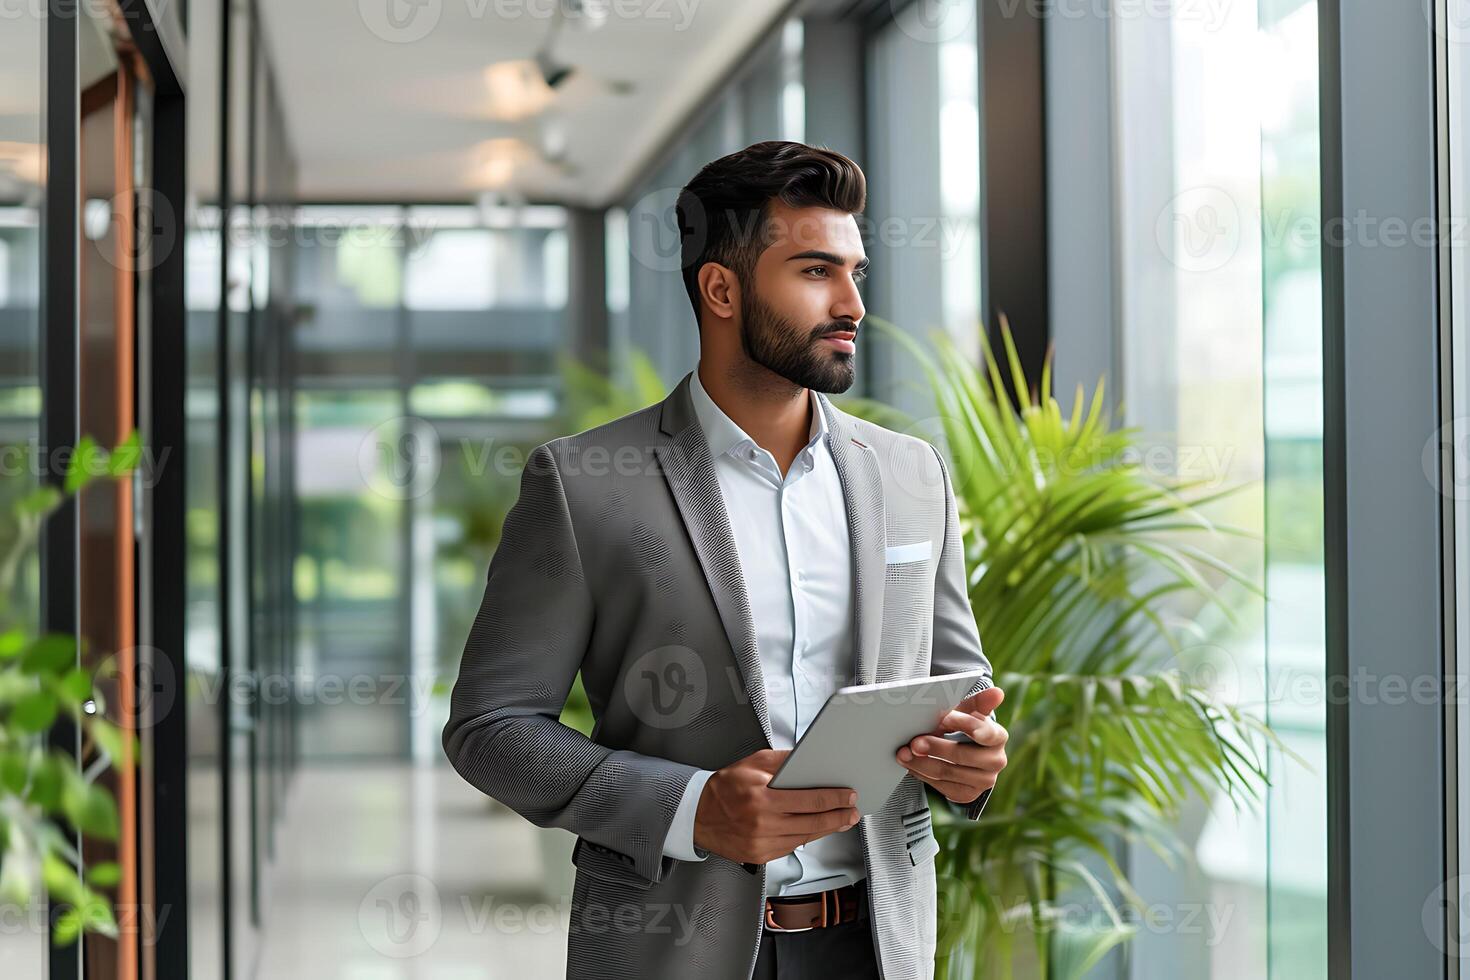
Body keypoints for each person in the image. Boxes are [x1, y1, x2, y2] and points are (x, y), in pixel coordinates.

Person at [441, 139, 1008, 980]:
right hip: (671, 948)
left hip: (878, 946)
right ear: (721, 288)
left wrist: (972, 760)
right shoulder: (583, 482)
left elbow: (957, 684)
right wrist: (691, 808)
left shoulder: (910, 473)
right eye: (816, 271)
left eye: (857, 271)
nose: (852, 302)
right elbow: (491, 729)